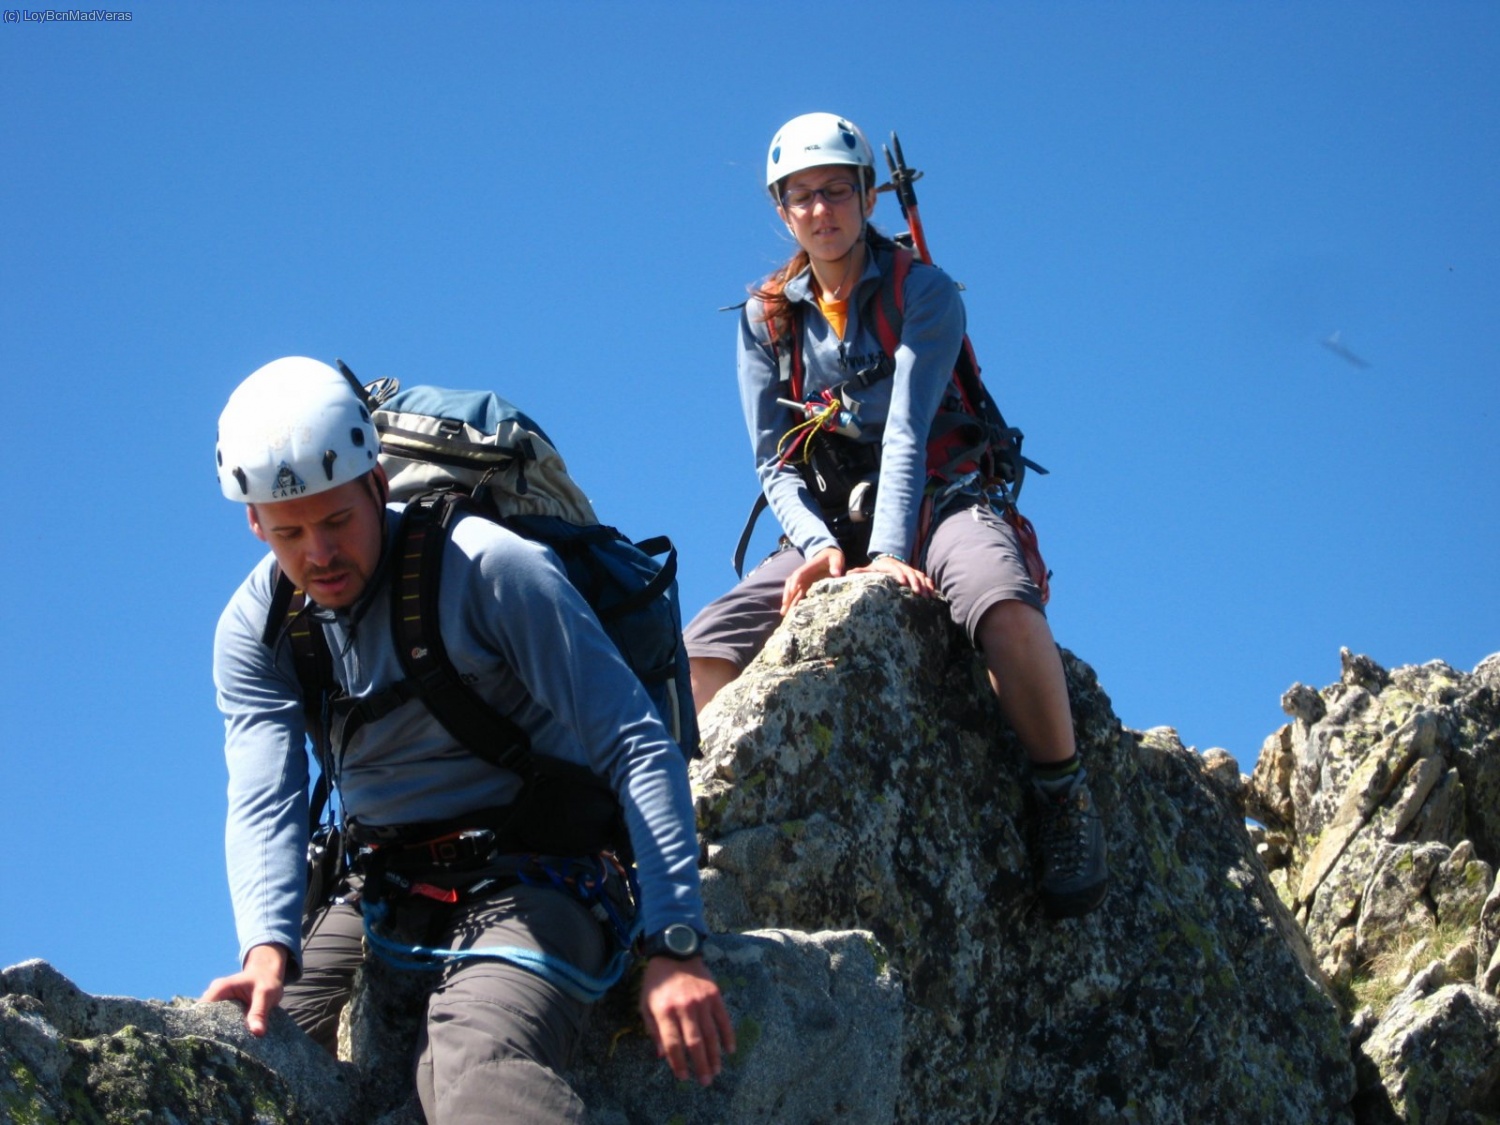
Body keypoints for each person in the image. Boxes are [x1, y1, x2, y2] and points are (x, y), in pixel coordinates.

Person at [200, 356, 734, 1123]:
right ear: (255, 524)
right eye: (289, 532)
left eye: (337, 520)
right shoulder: (256, 629)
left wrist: (675, 941)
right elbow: (264, 798)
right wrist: (265, 950)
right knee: (250, 1053)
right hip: (385, 881)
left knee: (472, 1073)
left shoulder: (488, 567)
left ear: (377, 485)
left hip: (540, 872)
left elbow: (635, 742)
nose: (319, 553)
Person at [684, 113, 1107, 919]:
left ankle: (1064, 792)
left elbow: (910, 427)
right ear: (781, 209)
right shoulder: (766, 320)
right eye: (801, 196)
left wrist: (882, 558)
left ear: (869, 195)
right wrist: (817, 545)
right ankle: (677, 819)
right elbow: (773, 462)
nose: (820, 209)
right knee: (700, 649)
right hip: (828, 520)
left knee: (1004, 607)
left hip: (941, 494)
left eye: (837, 189)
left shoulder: (926, 292)